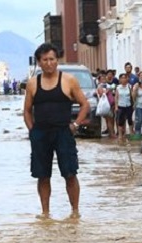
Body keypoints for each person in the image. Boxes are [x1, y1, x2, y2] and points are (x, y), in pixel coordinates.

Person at [22, 42, 90, 218]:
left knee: (70, 173)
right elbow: (27, 110)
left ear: (57, 60)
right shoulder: (32, 84)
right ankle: (45, 213)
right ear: (39, 62)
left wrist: (75, 125)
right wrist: (32, 131)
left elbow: (84, 105)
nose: (49, 63)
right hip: (41, 133)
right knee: (42, 175)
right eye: (44, 60)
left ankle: (75, 212)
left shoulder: (69, 80)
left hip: (63, 132)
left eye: (52, 59)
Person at [114, 73, 135, 142]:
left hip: (128, 105)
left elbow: (132, 96)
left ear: (127, 79)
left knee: (130, 120)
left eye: (125, 78)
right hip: (121, 106)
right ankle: (120, 135)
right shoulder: (118, 87)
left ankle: (131, 133)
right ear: (120, 79)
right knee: (120, 121)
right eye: (122, 78)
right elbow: (116, 97)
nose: (123, 79)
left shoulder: (129, 86)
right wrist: (116, 106)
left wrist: (134, 104)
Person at [96, 72, 117, 137]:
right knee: (109, 120)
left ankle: (111, 133)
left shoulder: (108, 85)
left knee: (110, 119)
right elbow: (101, 94)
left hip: (110, 104)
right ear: (99, 80)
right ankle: (111, 134)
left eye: (104, 78)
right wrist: (108, 90)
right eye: (102, 79)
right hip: (105, 105)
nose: (104, 80)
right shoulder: (100, 86)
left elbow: (114, 89)